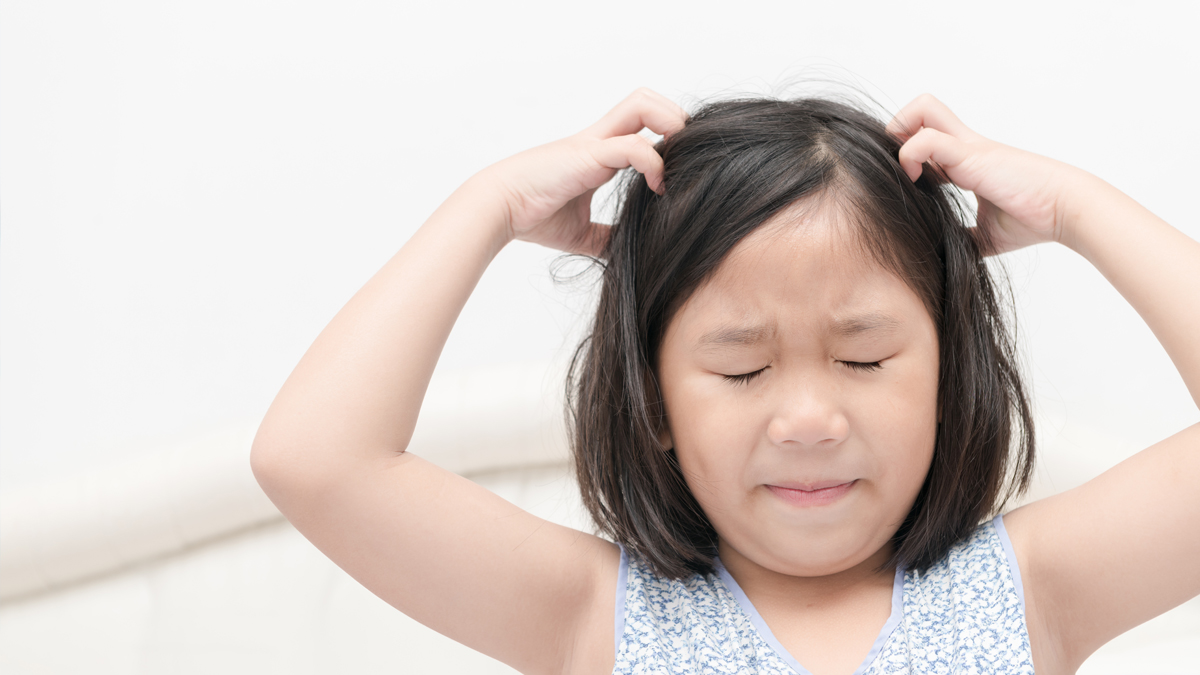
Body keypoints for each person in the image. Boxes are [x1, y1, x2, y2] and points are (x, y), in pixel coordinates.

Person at [249, 88, 1200, 675]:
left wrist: (1078, 208)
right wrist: (488, 205)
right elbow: (315, 460)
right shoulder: (589, 613)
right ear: (655, 403)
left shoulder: (1032, 587)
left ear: (951, 378)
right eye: (742, 369)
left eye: (864, 359)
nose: (809, 418)